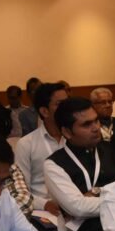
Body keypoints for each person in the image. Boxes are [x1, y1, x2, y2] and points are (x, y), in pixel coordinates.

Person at [44, 97, 115, 231]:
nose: (96, 128)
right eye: (86, 124)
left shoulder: (113, 149)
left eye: (96, 121)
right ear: (67, 132)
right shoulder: (54, 164)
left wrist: (94, 194)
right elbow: (78, 207)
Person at [14, 82, 68, 215]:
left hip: (77, 206)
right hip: (43, 209)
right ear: (45, 111)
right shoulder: (26, 144)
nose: (68, 108)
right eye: (60, 104)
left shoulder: (76, 139)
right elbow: (21, 191)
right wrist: (44, 204)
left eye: (68, 102)